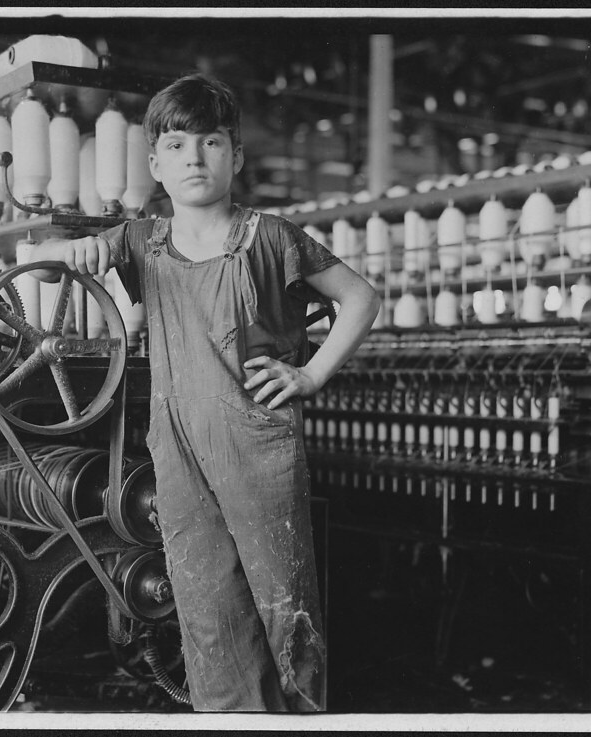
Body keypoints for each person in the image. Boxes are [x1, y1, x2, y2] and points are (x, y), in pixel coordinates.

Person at [29, 73, 380, 711]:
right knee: (207, 609)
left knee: (285, 606)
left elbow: (360, 296)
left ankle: (304, 719)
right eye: (178, 144)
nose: (196, 157)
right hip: (178, 449)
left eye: (212, 142)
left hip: (258, 448)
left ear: (235, 156)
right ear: (156, 163)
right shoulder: (139, 240)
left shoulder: (272, 237)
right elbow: (48, 254)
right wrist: (76, 250)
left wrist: (310, 374)